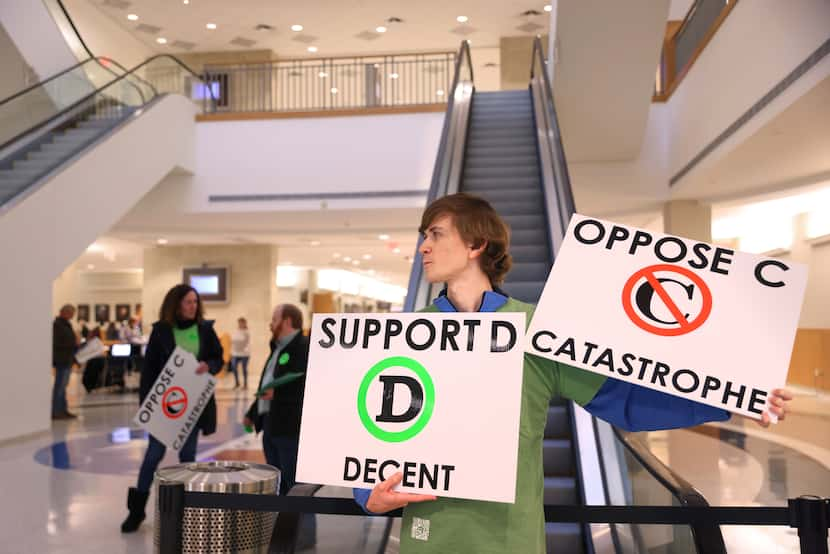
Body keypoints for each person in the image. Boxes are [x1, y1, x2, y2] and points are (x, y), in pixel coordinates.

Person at [353, 193, 792, 553]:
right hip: (427, 536)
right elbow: (370, 433)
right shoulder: (406, 333)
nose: (423, 247)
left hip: (510, 539)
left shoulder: (536, 331)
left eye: (435, 234)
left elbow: (625, 400)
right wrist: (364, 496)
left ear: (475, 245)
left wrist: (734, 397)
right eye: (423, 236)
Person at [120, 284, 224, 533]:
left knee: (188, 458)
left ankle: (187, 510)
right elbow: (149, 372)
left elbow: (219, 358)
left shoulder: (205, 330)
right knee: (153, 455)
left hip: (194, 406)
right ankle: (137, 511)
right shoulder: (161, 332)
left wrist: (208, 364)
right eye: (188, 302)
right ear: (176, 304)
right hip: (165, 407)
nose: (193, 306)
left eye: (195, 302)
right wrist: (147, 405)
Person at [243, 304, 309, 495]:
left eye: (274, 320)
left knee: (295, 485)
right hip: (270, 424)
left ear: (287, 321)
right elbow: (268, 383)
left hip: (289, 426)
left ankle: (300, 524)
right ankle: (281, 523)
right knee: (277, 482)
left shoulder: (303, 347)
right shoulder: (278, 348)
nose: (270, 325)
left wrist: (278, 394)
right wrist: (252, 412)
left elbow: (305, 385)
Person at [52, 304, 79, 420]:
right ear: (64, 312)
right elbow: (57, 343)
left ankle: (63, 409)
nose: (72, 315)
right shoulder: (57, 325)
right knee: (60, 386)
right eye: (71, 313)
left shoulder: (66, 325)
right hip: (61, 360)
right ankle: (56, 411)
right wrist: (73, 344)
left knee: (63, 386)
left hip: (67, 359)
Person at [230, 317, 251, 389]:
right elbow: (232, 341)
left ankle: (245, 384)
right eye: (239, 323)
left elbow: (244, 342)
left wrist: (239, 344)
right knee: (233, 367)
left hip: (244, 353)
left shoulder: (246, 332)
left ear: (244, 323)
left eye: (242, 322)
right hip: (235, 353)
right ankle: (237, 383)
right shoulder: (236, 331)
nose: (240, 324)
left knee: (244, 368)